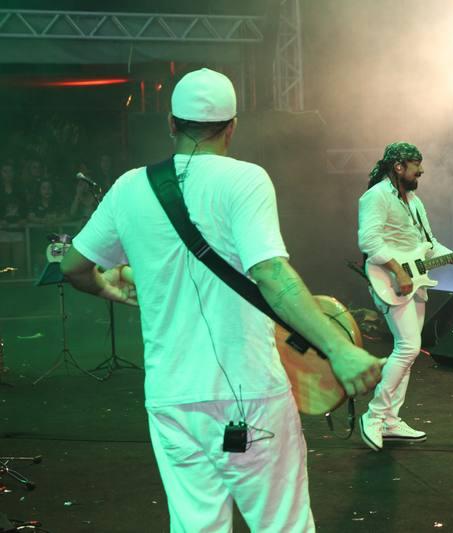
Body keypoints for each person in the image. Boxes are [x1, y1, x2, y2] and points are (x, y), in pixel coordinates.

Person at [60, 67, 384, 532]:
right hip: (250, 393)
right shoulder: (245, 180)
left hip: (172, 398)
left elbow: (74, 265)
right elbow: (270, 272)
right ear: (232, 127)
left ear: (171, 124)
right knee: (282, 524)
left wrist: (108, 286)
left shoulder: (130, 187)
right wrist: (339, 349)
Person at [357, 142, 453, 451]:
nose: (422, 171)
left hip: (415, 281)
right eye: (417, 165)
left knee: (408, 352)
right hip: (390, 280)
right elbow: (369, 241)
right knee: (409, 347)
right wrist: (398, 272)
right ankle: (374, 416)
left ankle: (390, 420)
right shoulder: (375, 197)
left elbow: (429, 245)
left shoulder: (414, 202)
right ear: (399, 167)